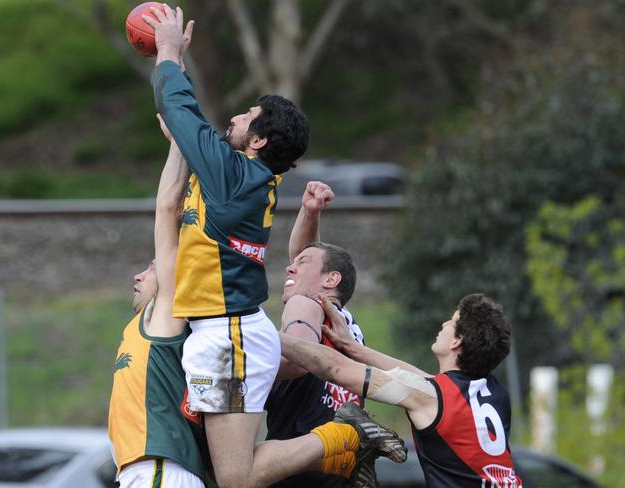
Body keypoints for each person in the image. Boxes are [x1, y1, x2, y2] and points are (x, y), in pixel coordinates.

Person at [141, 5, 337, 487]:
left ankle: (340, 440)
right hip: (227, 335)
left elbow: (182, 112)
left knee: (234, 478)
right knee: (220, 474)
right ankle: (338, 442)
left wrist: (166, 50)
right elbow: (184, 123)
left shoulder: (235, 178)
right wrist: (176, 67)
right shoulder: (237, 177)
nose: (236, 116)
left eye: (247, 115)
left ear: (259, 139)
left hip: (228, 340)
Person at [280, 293, 524, 488]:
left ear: (456, 341)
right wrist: (354, 348)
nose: (445, 323)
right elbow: (422, 381)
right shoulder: (496, 394)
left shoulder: (430, 396)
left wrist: (266, 335)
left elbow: (335, 368)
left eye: (452, 320)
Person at [108, 121, 207, 487]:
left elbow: (167, 210)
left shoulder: (166, 314)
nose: (137, 276)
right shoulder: (140, 326)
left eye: (151, 269)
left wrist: (179, 138)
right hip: (148, 472)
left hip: (159, 471)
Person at [265, 181, 366, 488]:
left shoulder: (305, 303)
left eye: (300, 264)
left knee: (232, 473)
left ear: (331, 279)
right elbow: (311, 260)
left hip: (300, 465)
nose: (289, 269)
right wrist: (310, 212)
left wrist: (244, 364)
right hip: (342, 466)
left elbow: (297, 361)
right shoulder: (347, 325)